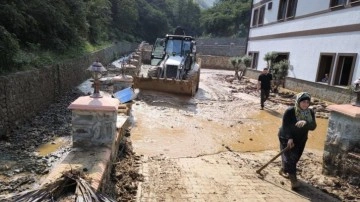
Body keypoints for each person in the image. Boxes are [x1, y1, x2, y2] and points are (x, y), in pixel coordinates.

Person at [278, 92, 317, 189]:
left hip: (301, 139)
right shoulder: (290, 111)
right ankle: (294, 182)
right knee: (290, 158)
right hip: (286, 137)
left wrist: (306, 122)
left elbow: (313, 126)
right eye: (303, 101)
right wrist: (289, 138)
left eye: (308, 102)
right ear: (298, 101)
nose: (305, 104)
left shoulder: (310, 112)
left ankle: (283, 169)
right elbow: (285, 126)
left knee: (295, 158)